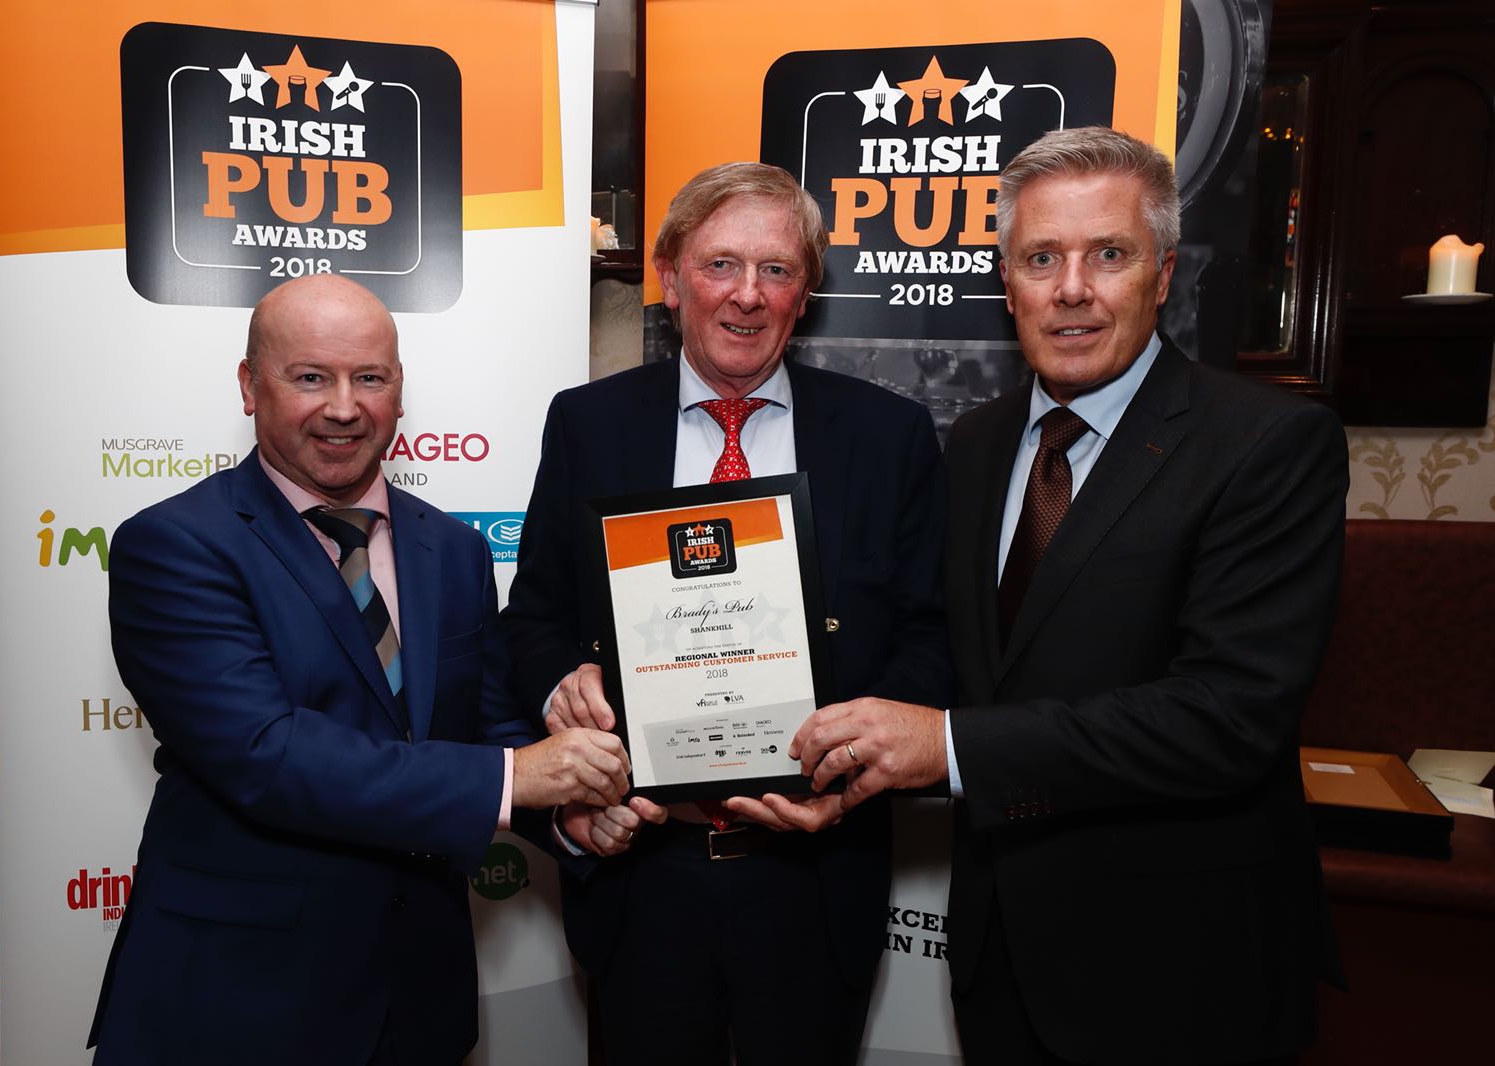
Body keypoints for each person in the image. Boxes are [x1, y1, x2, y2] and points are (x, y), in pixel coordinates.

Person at [788, 127, 1347, 1065]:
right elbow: (952, 655)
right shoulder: (973, 445)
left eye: (1110, 256)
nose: (1073, 288)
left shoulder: (1267, 445)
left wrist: (948, 745)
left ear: (1163, 275)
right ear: (1007, 282)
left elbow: (1228, 718)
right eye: (1042, 258)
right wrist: (823, 754)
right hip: (999, 949)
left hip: (1182, 967)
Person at [86, 275, 630, 1066]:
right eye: (310, 376)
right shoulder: (174, 546)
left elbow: (484, 721)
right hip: (239, 1000)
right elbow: (265, 753)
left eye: (369, 377)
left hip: (417, 998)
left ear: (399, 392)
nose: (344, 406)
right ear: (249, 385)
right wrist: (520, 782)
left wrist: (566, 816)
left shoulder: (455, 549)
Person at [500, 162, 951, 1064]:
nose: (748, 296)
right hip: (642, 868)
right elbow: (533, 618)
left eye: (777, 270)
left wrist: (855, 760)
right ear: (669, 277)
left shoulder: (887, 435)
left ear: (806, 290)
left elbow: (933, 636)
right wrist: (561, 683)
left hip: (817, 869)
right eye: (720, 266)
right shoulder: (588, 425)